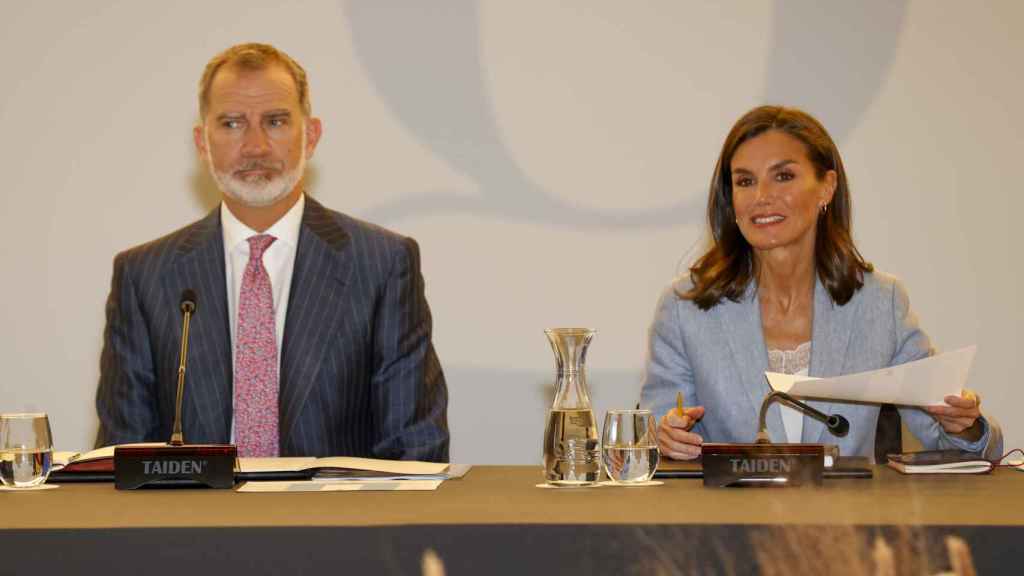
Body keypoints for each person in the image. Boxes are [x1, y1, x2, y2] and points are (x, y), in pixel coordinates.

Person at [95, 43, 448, 461]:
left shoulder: (382, 264)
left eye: (276, 121)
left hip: (338, 524)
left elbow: (415, 449)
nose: (255, 147)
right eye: (231, 124)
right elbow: (123, 455)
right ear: (202, 143)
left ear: (311, 136)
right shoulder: (146, 275)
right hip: (190, 524)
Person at [641, 105, 1002, 461]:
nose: (761, 196)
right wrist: (667, 436)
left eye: (783, 177)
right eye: (745, 181)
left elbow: (957, 444)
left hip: (847, 519)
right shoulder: (685, 307)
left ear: (826, 187)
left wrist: (963, 425)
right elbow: (655, 429)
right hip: (730, 517)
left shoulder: (880, 302)